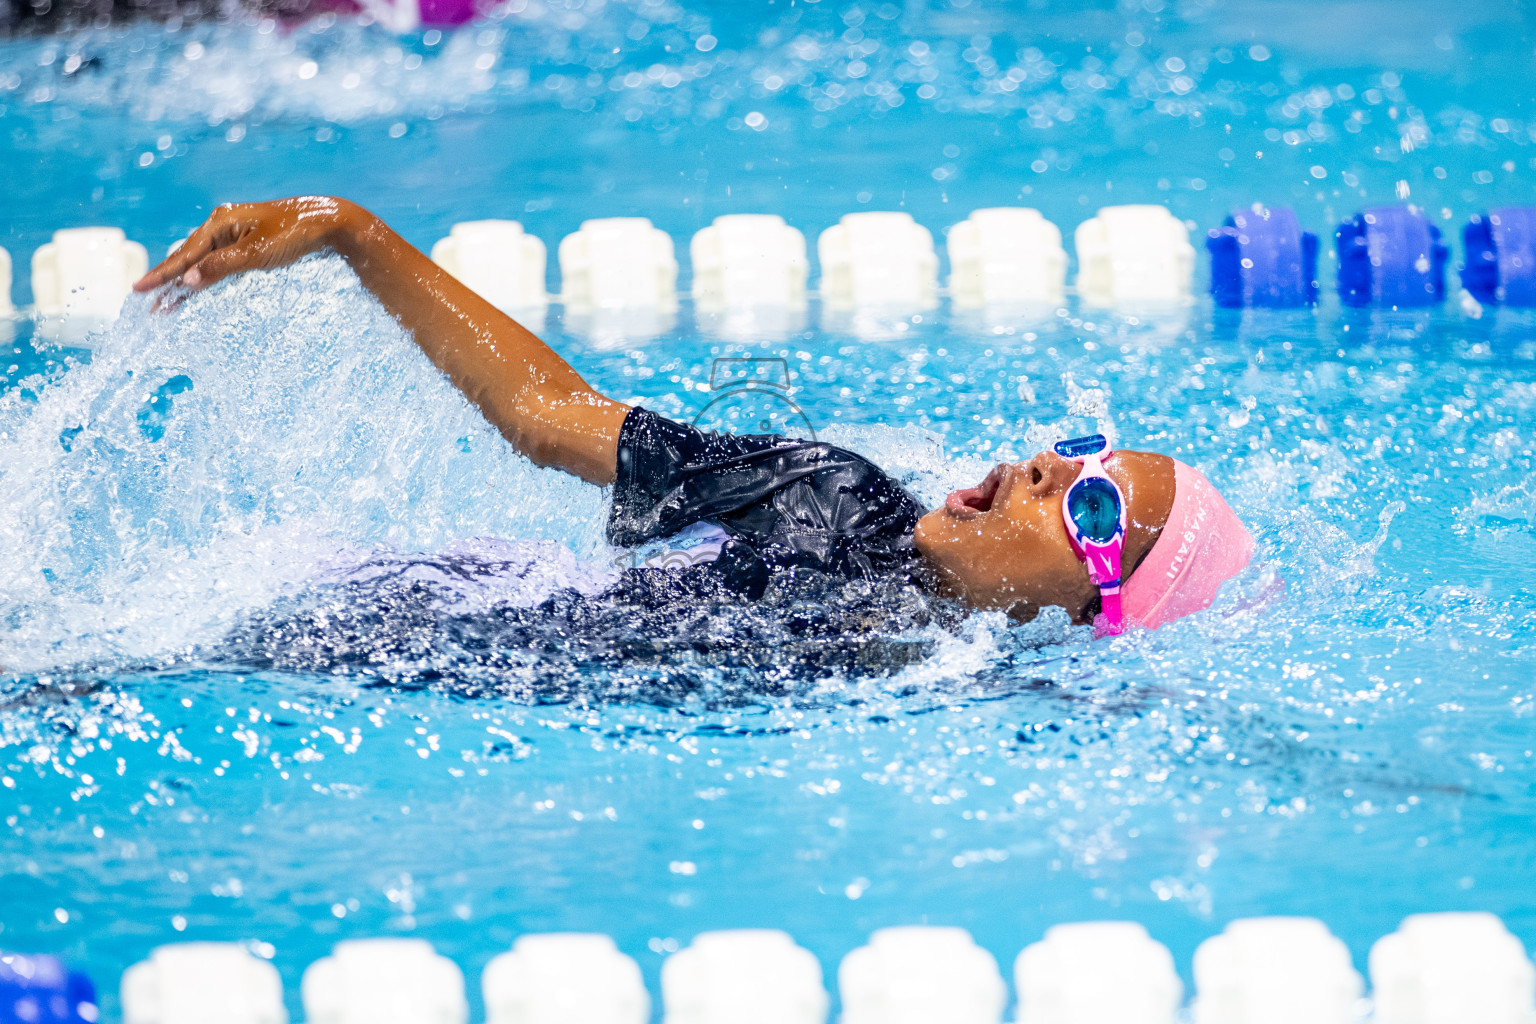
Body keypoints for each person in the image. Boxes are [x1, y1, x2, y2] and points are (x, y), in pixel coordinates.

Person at [133, 196, 1255, 635]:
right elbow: (547, 414)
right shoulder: (831, 500)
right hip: (406, 620)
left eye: (1093, 502)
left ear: (1094, 606)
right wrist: (352, 232)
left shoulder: (979, 687)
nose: (1051, 468)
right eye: (1076, 454)